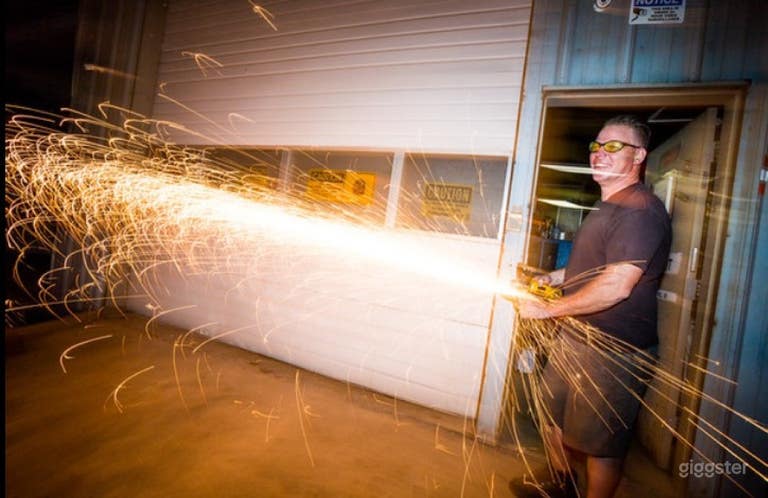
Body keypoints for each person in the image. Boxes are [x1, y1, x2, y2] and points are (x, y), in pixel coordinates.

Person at [510, 115, 672, 498]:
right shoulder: (608, 206)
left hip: (613, 352)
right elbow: (595, 265)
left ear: (639, 156)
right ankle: (561, 484)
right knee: (552, 418)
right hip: (577, 338)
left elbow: (618, 284)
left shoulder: (640, 210)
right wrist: (555, 278)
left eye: (614, 147)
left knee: (601, 446)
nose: (600, 154)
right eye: (597, 146)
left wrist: (550, 309)